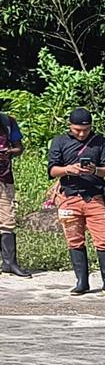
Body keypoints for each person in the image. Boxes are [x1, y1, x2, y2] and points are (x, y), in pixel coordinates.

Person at [47, 108, 105, 296]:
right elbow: (52, 170)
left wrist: (95, 170)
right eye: (77, 130)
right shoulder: (59, 141)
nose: (81, 133)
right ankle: (82, 282)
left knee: (103, 239)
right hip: (69, 198)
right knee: (74, 240)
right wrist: (68, 170)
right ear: (69, 126)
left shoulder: (100, 142)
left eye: (86, 130)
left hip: (95, 197)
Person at [0, 108, 32, 277]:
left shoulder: (8, 122)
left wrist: (9, 153)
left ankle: (9, 263)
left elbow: (19, 148)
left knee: (7, 219)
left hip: (4, 178)